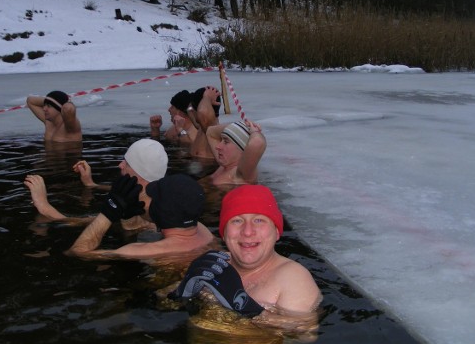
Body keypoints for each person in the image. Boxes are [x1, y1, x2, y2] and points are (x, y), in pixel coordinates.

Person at [169, 185, 322, 330]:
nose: (248, 231)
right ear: (223, 233)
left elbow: (305, 332)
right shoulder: (215, 263)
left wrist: (246, 308)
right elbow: (163, 303)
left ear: (276, 232)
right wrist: (182, 290)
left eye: (259, 220)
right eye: (237, 221)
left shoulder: (292, 277)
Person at [66, 173, 216, 260]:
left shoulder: (140, 251)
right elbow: (163, 222)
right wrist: (130, 214)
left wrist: (109, 212)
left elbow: (78, 252)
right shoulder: (203, 232)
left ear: (160, 210)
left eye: (152, 196)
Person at [25, 138, 168, 227]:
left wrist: (43, 205)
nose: (120, 165)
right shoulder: (156, 199)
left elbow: (72, 222)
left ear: (139, 172)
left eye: (127, 163)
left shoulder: (144, 215)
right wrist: (91, 184)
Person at [205, 119, 266, 185]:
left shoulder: (242, 174)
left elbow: (257, 142)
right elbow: (210, 132)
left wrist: (255, 132)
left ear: (242, 149)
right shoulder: (224, 163)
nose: (218, 147)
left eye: (226, 142)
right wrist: (242, 125)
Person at [187, 86, 221, 160]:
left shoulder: (211, 129)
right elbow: (190, 110)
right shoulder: (201, 128)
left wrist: (207, 97)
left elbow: (202, 112)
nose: (191, 110)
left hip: (208, 169)